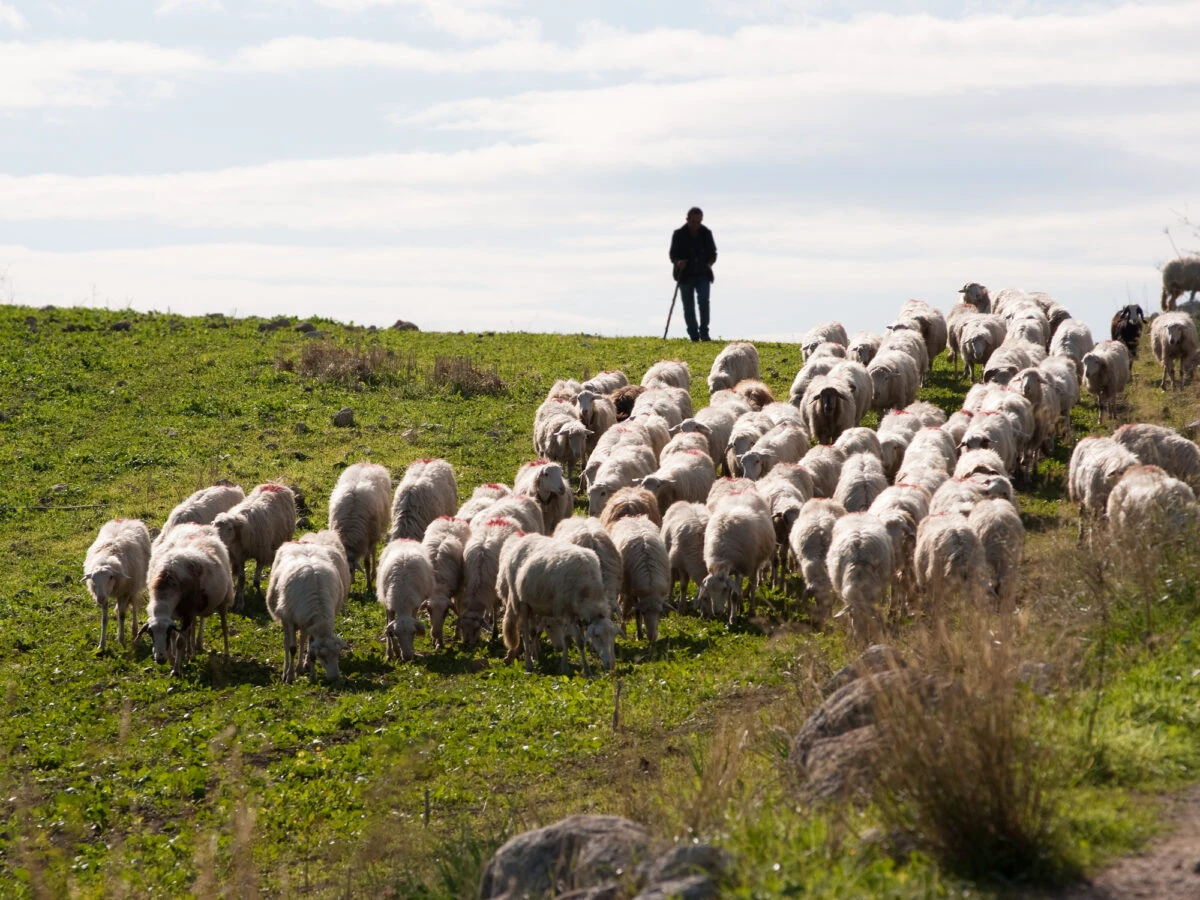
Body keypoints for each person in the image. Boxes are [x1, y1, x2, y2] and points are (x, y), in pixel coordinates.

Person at [669, 207, 717, 342]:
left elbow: (713, 254)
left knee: (704, 302)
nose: (696, 224)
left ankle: (704, 333)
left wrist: (708, 263)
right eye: (694, 221)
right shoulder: (678, 234)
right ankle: (694, 335)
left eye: (699, 222)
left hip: (703, 275)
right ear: (688, 220)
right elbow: (673, 255)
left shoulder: (706, 233)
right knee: (688, 306)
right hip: (685, 276)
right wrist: (678, 263)